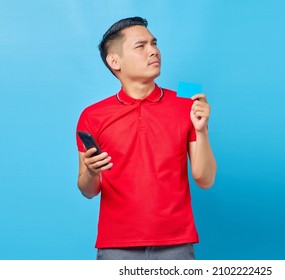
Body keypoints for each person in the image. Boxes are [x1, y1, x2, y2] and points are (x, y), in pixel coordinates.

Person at [75, 16, 217, 260]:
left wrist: (202, 130)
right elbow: (88, 190)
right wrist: (90, 171)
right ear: (114, 61)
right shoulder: (92, 115)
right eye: (141, 46)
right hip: (116, 245)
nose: (154, 51)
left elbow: (205, 179)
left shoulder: (187, 102)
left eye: (154, 43)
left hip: (177, 244)